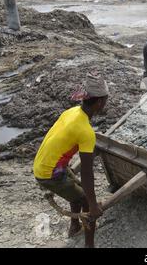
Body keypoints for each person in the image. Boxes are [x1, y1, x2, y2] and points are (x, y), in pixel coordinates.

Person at [33, 73, 109, 248]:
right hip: (49, 173)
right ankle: (89, 245)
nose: (106, 103)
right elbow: (88, 174)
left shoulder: (72, 111)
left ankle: (74, 226)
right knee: (86, 202)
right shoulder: (86, 131)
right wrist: (93, 206)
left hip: (44, 163)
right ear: (99, 102)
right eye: (106, 100)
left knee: (76, 190)